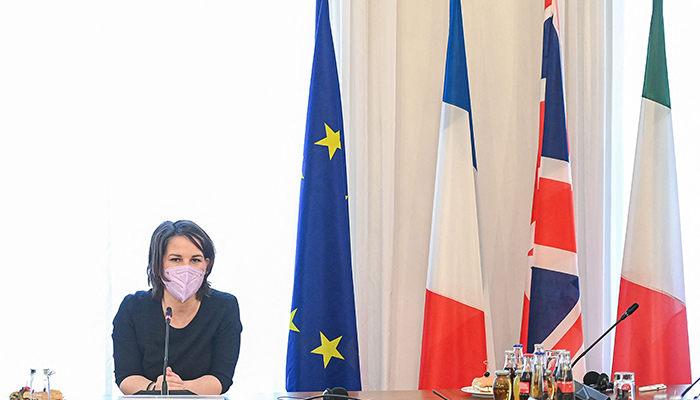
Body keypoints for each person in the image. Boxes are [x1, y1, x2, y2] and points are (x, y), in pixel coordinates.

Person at [112, 220, 242, 395]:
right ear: (158, 264)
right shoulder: (132, 307)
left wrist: (179, 389)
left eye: (195, 260)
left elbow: (221, 378)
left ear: (206, 265)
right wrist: (156, 389)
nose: (186, 268)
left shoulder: (224, 307)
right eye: (176, 259)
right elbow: (126, 376)